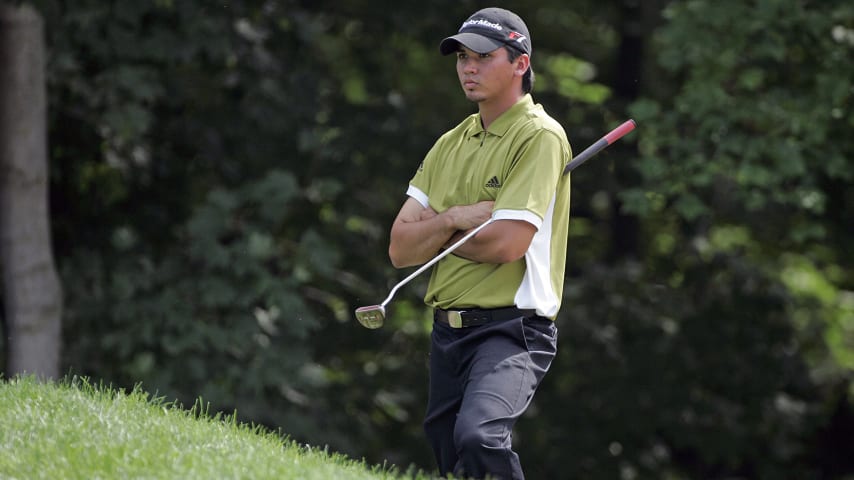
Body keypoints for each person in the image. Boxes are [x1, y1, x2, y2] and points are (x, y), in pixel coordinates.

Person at [387, 7, 572, 480]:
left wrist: (436, 229)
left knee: (480, 436)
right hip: (448, 330)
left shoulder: (540, 137)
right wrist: (455, 218)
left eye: (484, 57)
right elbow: (400, 249)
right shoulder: (450, 142)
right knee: (450, 455)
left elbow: (506, 244)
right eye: (463, 57)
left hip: (512, 329)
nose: (469, 68)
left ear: (520, 64)